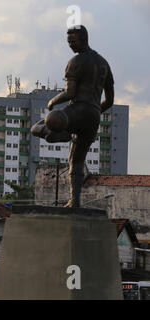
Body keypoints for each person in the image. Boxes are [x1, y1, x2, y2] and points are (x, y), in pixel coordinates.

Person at [31, 25, 115, 207]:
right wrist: (94, 112)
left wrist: (52, 101)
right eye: (68, 41)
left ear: (84, 39)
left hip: (77, 109)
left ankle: (62, 134)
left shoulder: (76, 62)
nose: (70, 45)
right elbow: (109, 101)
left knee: (37, 127)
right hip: (93, 115)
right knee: (76, 161)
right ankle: (74, 201)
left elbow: (70, 93)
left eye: (73, 41)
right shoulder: (104, 64)